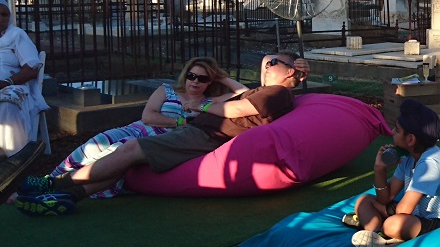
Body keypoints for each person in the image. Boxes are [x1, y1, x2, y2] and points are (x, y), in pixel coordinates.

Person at [16, 51, 307, 216]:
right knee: (124, 161)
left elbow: (236, 110)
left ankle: (54, 184)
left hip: (205, 136)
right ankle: (64, 199)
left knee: (129, 150)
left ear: (290, 73)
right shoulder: (269, 87)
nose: (265, 66)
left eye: (272, 64)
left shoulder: (277, 93)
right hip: (199, 132)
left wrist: (200, 104)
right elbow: (257, 76)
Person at [39, 57, 249, 199]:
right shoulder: (167, 90)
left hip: (161, 140)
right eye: (191, 76)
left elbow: (244, 92)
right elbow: (148, 116)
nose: (195, 82)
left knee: (114, 154)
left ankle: (63, 190)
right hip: (139, 128)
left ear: (209, 82)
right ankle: (49, 181)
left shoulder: (210, 101)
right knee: (94, 145)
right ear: (185, 76)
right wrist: (181, 121)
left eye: (203, 78)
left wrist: (220, 76)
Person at [347, 99, 440, 247]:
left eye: (397, 130)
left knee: (393, 224)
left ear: (411, 139)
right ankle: (374, 234)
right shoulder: (409, 157)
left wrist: (382, 210)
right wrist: (379, 169)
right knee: (364, 201)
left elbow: (403, 210)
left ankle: (385, 235)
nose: (392, 132)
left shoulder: (430, 163)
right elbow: (385, 198)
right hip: (418, 214)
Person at [0, 0, 48, 158]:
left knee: (8, 102)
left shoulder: (16, 35)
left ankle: (15, 162)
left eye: (4, 15)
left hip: (12, 85)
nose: (0, 18)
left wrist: (6, 82)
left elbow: (32, 69)